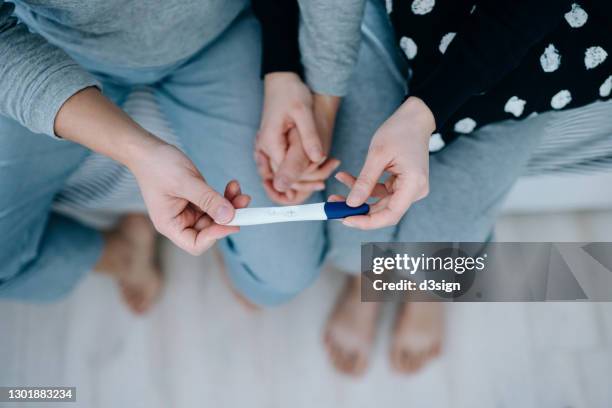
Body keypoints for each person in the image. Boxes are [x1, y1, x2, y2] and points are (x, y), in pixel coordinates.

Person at [255, 0, 612, 375]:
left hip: (533, 56)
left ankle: (424, 291)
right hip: (392, 18)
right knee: (352, 238)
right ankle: (371, 277)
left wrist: (423, 113)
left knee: (442, 253)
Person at [0, 0, 341, 312]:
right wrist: (140, 153)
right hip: (51, 52)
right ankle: (125, 254)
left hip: (217, 35)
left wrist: (287, 72)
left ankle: (366, 293)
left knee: (285, 274)